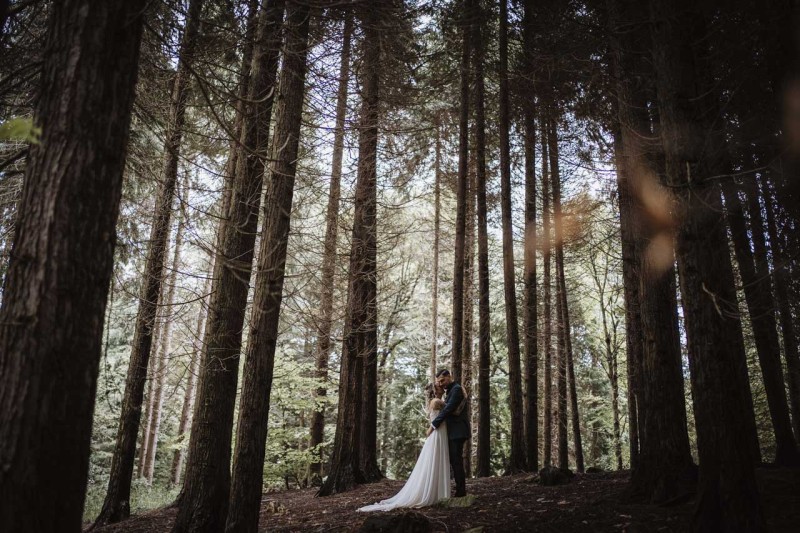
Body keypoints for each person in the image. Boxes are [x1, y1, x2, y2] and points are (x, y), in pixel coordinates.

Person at [358, 396, 451, 511]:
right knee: (437, 460)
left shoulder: (435, 405)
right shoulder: (438, 404)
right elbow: (442, 417)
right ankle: (439, 492)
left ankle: (434, 490)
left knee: (432, 461)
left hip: (436, 436)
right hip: (439, 436)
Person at [428, 368, 470, 497]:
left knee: (456, 461)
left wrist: (433, 425)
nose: (441, 384)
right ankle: (458, 489)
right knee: (454, 460)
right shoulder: (451, 390)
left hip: (458, 431)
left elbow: (448, 410)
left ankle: (461, 492)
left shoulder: (456, 389)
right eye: (439, 382)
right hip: (454, 431)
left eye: (442, 380)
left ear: (449, 376)